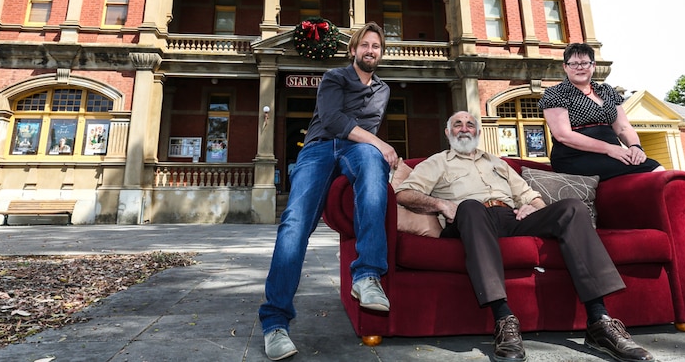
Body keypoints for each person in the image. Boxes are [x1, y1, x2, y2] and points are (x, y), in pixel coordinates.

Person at [395, 111, 654, 362]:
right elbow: (404, 194)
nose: (464, 128)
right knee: (471, 206)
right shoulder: (437, 161)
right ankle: (504, 320)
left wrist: (533, 206)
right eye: (458, 124)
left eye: (470, 124)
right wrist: (441, 205)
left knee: (572, 207)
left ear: (478, 131)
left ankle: (599, 321)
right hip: (468, 221)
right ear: (448, 132)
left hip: (510, 218)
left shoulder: (498, 163)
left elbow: (530, 196)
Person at [258, 22, 399, 361]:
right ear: (353, 50)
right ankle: (275, 323)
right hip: (320, 147)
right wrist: (380, 144)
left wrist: (376, 149)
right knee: (295, 223)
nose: (370, 51)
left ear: (380, 53)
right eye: (364, 45)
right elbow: (334, 121)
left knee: (372, 165)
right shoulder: (334, 77)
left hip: (356, 150)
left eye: (376, 46)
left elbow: (364, 135)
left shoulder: (383, 90)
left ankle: (366, 275)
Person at [539, 43, 685, 266]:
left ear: (593, 65)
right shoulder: (555, 93)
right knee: (654, 169)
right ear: (565, 67)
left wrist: (635, 148)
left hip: (613, 155)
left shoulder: (607, 91)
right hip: (576, 156)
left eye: (585, 63)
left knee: (652, 170)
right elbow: (564, 135)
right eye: (574, 63)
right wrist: (612, 149)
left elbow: (622, 128)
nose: (579, 67)